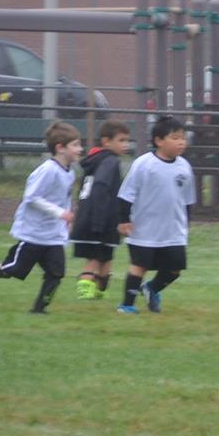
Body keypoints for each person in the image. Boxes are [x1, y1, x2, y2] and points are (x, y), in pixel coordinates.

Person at [0, 120, 82, 313]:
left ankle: (39, 309)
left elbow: (63, 201)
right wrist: (60, 213)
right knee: (15, 270)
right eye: (75, 145)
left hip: (53, 236)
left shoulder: (69, 172)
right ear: (60, 148)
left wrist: (64, 222)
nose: (80, 149)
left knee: (56, 273)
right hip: (33, 233)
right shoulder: (48, 170)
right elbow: (31, 197)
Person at [114, 116, 196, 314]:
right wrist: (124, 220)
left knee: (175, 269)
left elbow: (187, 199)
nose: (181, 142)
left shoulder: (184, 166)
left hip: (173, 230)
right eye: (175, 138)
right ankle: (127, 305)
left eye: (183, 138)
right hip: (144, 228)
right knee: (139, 267)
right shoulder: (144, 164)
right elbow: (126, 195)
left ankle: (151, 288)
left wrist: (186, 223)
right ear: (159, 141)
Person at [69, 120, 133, 301]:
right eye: (121, 140)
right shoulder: (110, 161)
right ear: (106, 141)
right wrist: (102, 219)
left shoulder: (94, 160)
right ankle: (86, 287)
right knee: (95, 258)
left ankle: (98, 290)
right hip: (101, 219)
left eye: (127, 141)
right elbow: (101, 187)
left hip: (86, 217)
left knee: (104, 257)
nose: (125, 145)